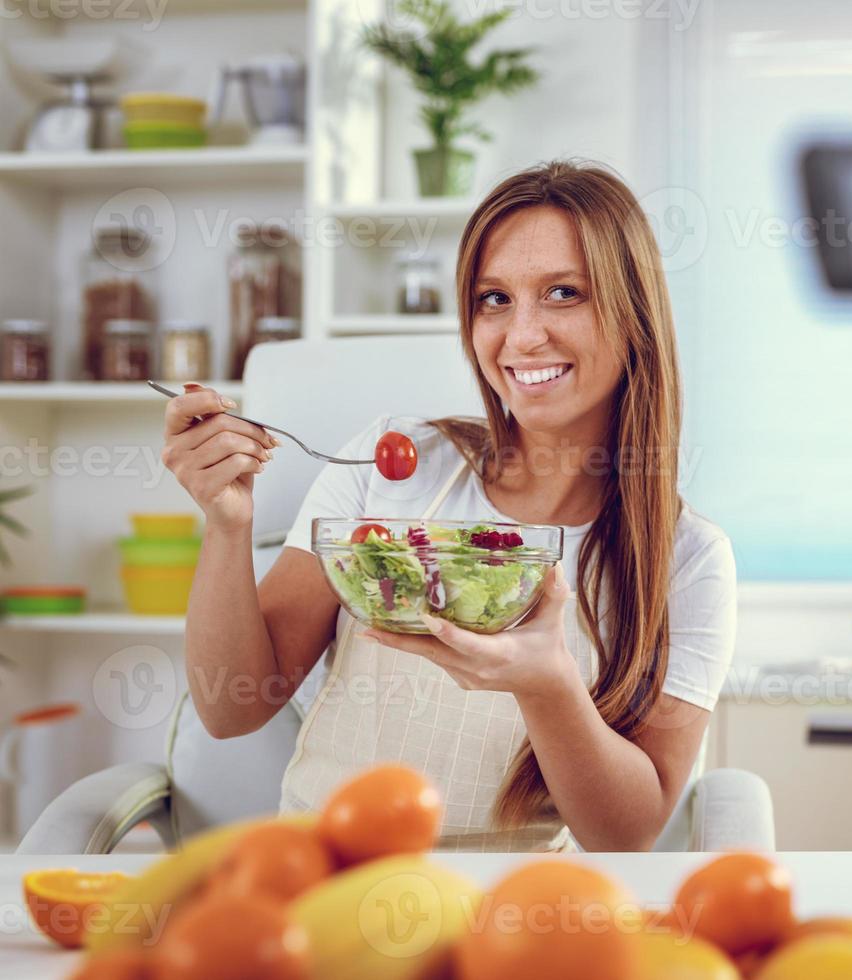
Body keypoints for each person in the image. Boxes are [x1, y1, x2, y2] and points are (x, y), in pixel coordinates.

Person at [161, 161, 736, 851]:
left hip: (513, 916)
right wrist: (227, 525)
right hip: (321, 880)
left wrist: (548, 684)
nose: (521, 336)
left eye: (563, 293)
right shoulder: (392, 463)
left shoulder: (688, 559)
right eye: (494, 299)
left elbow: (626, 835)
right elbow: (231, 708)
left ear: (633, 312)